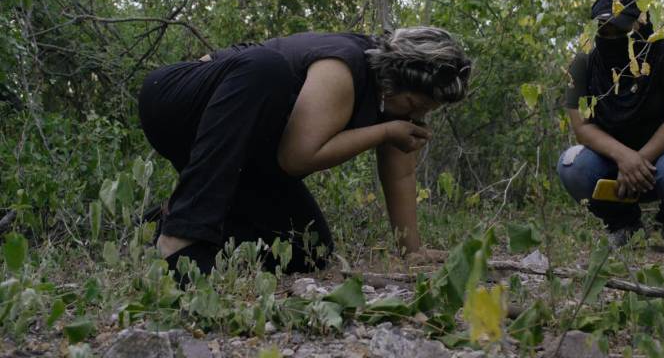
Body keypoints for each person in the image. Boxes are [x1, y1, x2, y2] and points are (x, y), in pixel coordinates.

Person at [138, 27, 471, 275]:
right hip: (178, 105)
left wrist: (410, 252)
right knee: (266, 67)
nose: (417, 117)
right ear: (392, 81)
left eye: (426, 111)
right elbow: (295, 158)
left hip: (242, 152)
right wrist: (384, 131)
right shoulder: (343, 66)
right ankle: (181, 236)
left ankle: (163, 220)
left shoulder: (395, 107)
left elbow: (401, 172)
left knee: (309, 248)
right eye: (415, 104)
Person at [557, 0, 664, 253]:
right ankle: (624, 226)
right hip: (616, 166)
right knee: (572, 164)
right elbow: (583, 127)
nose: (611, 36)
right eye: (604, 29)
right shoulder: (585, 63)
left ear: (641, 24)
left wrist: (639, 158)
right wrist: (624, 157)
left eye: (620, 29)